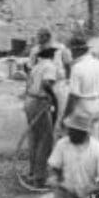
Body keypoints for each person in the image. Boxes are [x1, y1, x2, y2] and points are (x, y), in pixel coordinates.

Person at [24, 47, 60, 187]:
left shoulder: (36, 66)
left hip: (30, 101)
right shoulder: (50, 67)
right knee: (45, 140)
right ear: (51, 55)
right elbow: (46, 83)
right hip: (40, 101)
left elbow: (28, 85)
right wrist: (53, 97)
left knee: (34, 138)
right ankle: (40, 178)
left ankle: (32, 172)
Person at [65, 36, 99, 145]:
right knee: (96, 138)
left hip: (83, 107)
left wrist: (66, 115)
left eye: (71, 50)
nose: (70, 53)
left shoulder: (77, 67)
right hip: (97, 104)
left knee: (81, 142)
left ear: (77, 51)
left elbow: (73, 96)